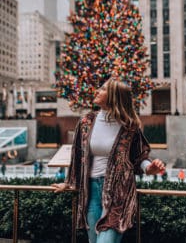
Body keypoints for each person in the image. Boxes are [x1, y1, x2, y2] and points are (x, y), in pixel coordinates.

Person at [52, 78, 165, 243]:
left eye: (103, 89)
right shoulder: (86, 122)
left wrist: (150, 168)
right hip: (90, 192)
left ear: (115, 96)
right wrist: (68, 182)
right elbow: (77, 156)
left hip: (118, 194)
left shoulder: (129, 126)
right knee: (94, 240)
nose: (97, 90)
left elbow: (139, 157)